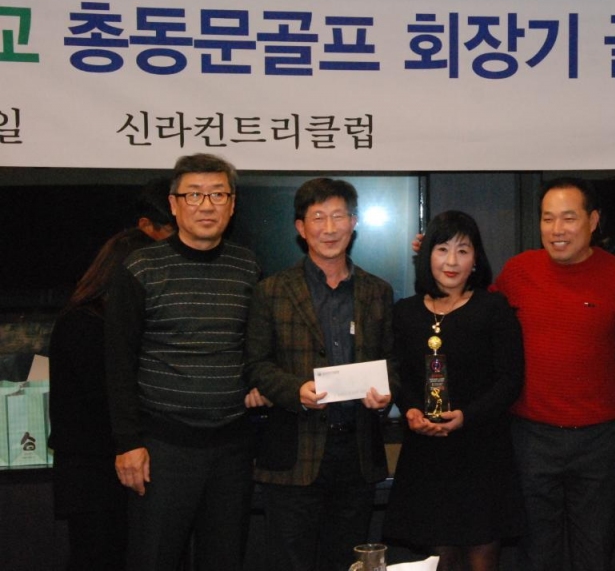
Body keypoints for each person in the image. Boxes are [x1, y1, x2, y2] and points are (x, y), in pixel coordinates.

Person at [104, 153, 264, 571]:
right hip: (162, 448)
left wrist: (260, 382)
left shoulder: (248, 266)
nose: (206, 205)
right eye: (194, 194)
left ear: (232, 204)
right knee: (153, 559)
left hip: (232, 447)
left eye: (217, 194)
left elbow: (255, 345)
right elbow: (118, 362)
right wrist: (128, 443)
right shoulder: (140, 267)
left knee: (225, 559)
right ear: (174, 205)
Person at [494, 177, 615, 571]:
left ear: (593, 221)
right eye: (547, 218)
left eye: (568, 218)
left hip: (597, 442)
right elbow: (475, 320)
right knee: (537, 556)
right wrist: (437, 256)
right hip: (531, 439)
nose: (557, 229)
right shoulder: (518, 271)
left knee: (594, 555)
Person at [244, 177, 394, 571]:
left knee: (347, 563)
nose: (329, 228)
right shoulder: (271, 291)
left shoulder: (377, 291)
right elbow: (256, 364)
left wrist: (385, 393)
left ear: (354, 222)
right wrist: (296, 390)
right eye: (318, 217)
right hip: (294, 453)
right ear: (300, 227)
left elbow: (392, 361)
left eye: (338, 216)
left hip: (357, 453)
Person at [385, 210, 524, 571]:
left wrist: (466, 416)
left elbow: (510, 380)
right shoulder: (405, 313)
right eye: (442, 249)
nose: (451, 261)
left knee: (482, 558)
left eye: (463, 251)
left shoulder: (494, 308)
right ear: (427, 254)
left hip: (482, 452)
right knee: (439, 560)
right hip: (428, 455)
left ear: (476, 259)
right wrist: (411, 410)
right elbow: (397, 374)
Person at [49, 227, 153, 571]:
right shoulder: (85, 322)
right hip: (92, 472)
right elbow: (103, 397)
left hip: (108, 465)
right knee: (97, 556)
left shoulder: (95, 318)